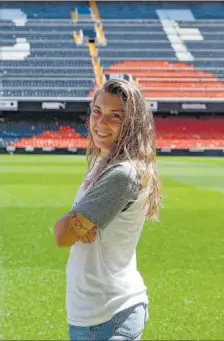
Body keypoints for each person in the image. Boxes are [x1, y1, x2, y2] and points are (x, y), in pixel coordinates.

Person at [53, 79, 162, 340]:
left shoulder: (123, 174)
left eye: (116, 116)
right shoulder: (104, 163)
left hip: (108, 316)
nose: (101, 123)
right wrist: (80, 221)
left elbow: (62, 235)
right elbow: (73, 228)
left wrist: (75, 222)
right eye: (96, 112)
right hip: (95, 313)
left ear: (133, 123)